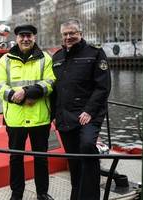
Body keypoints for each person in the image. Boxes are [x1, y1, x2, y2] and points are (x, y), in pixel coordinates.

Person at [0, 24, 56, 200]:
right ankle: (17, 193)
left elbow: (51, 82)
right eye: (22, 36)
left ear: (34, 38)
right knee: (15, 159)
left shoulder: (45, 58)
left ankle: (42, 193)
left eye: (29, 36)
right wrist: (16, 96)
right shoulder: (4, 60)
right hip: (15, 119)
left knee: (41, 158)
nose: (26, 39)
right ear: (17, 38)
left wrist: (28, 92)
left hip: (40, 118)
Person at [50, 19, 111, 200]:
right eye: (65, 34)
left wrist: (89, 111)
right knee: (73, 159)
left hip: (88, 115)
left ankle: (91, 197)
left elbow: (103, 87)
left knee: (86, 146)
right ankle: (75, 193)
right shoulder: (57, 57)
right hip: (65, 116)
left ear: (80, 33)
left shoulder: (95, 54)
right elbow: (55, 90)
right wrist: (54, 115)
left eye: (72, 33)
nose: (69, 37)